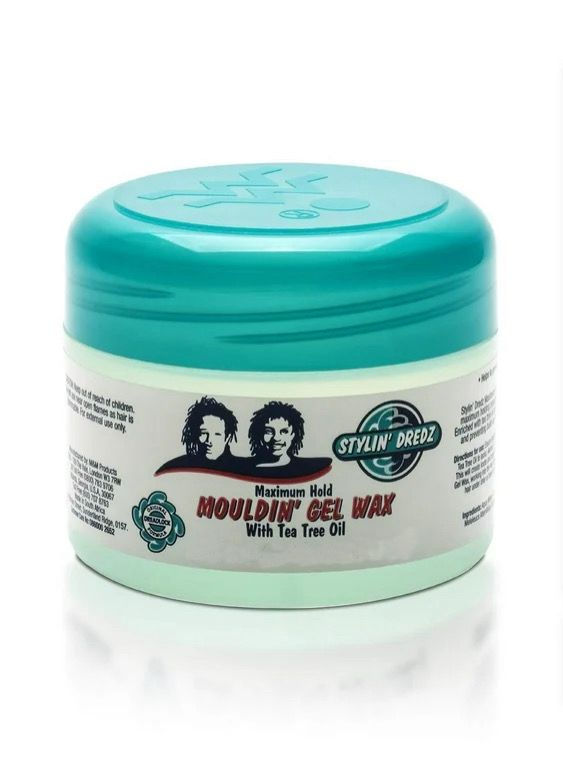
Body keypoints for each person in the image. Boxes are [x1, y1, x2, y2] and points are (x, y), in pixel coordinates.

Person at [156, 397, 247, 474]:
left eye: (217, 434)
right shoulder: (175, 467)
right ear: (195, 434)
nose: (209, 441)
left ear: (227, 438)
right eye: (204, 433)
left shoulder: (243, 468)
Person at [248, 401, 331, 479]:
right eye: (269, 431)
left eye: (284, 431)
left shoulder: (308, 467)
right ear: (259, 434)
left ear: (293, 435)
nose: (276, 438)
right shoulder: (245, 466)